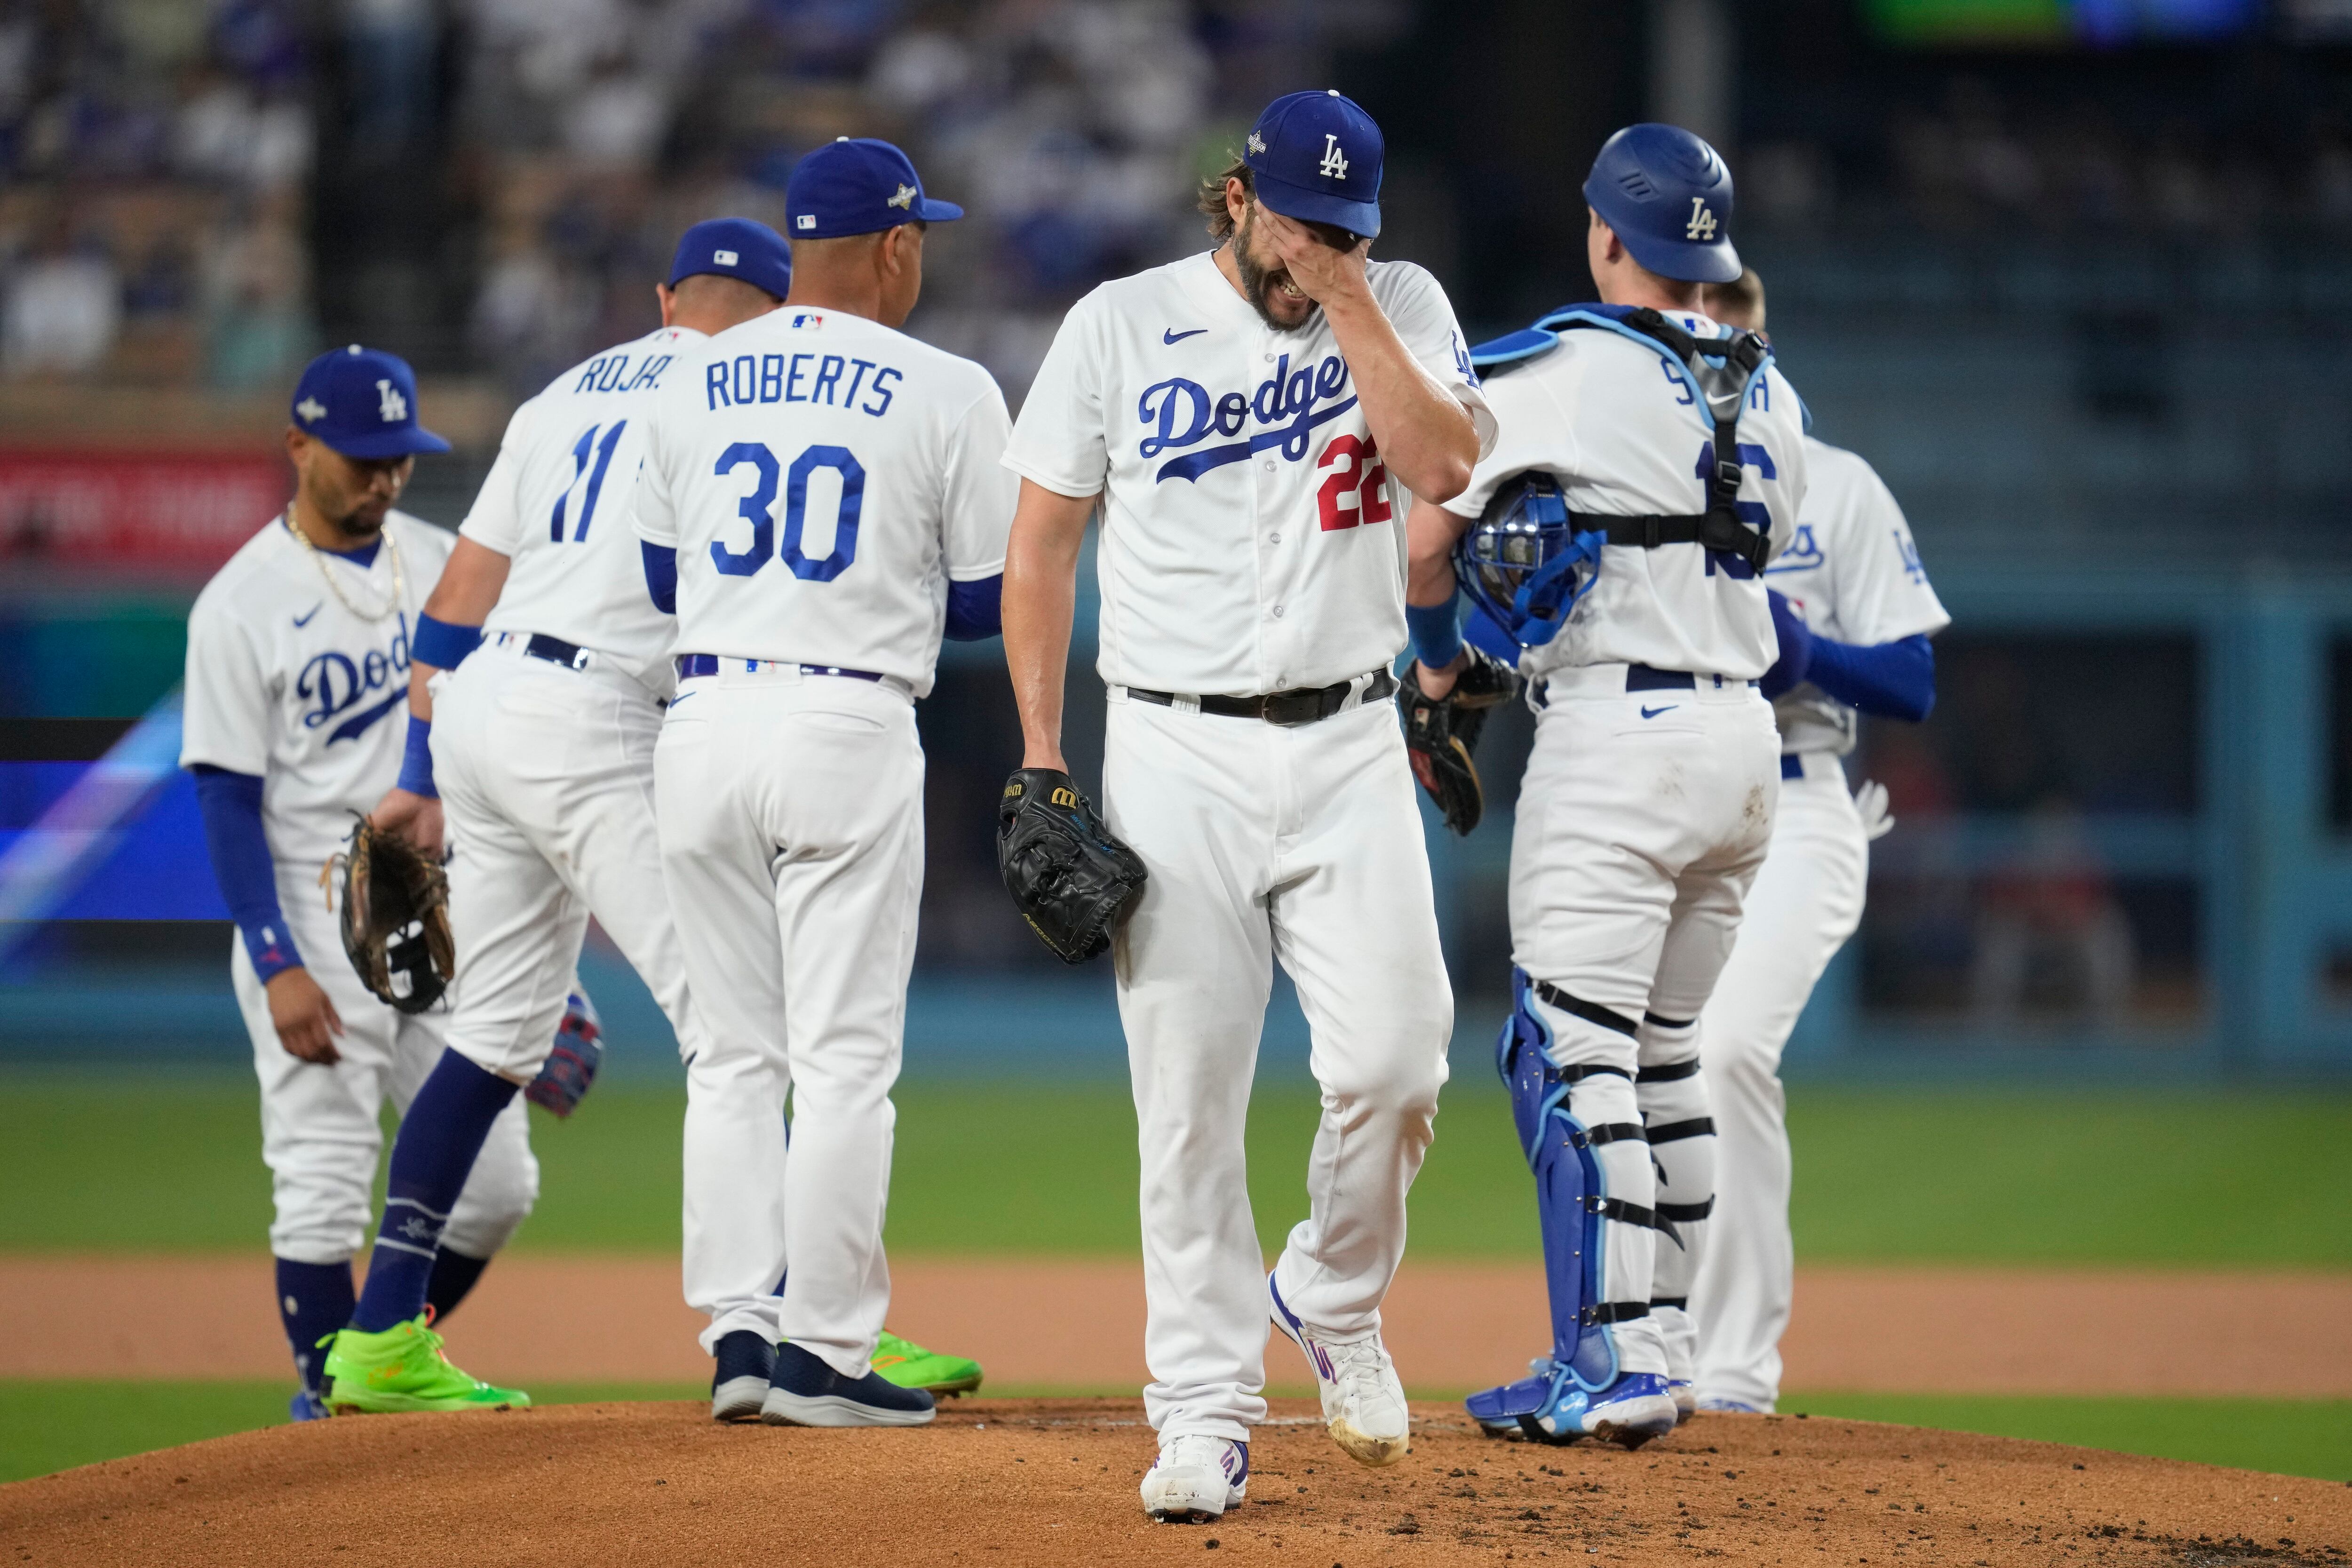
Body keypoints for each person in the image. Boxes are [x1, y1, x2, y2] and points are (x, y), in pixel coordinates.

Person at [1000, 89, 1490, 1521]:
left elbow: (1444, 467)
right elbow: (1040, 548)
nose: (1316, 253)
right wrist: (1043, 754)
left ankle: (1332, 1295)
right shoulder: (1116, 321)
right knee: (1190, 1100)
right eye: (1295, 224)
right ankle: (1204, 1409)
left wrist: (1347, 293)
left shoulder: (1396, 303)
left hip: (1348, 738)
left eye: (1345, 230)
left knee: (1402, 1063)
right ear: (1233, 196)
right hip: (1173, 749)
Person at [1406, 124, 1807, 1447]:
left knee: (1571, 1060)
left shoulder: (1561, 363)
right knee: (1665, 1055)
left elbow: (1430, 535)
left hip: (1618, 737)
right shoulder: (1774, 384)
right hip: (1745, 745)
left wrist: (1435, 666)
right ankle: (1670, 1342)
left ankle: (1606, 1361)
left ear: (1608, 234)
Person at [631, 138, 1010, 1429]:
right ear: (898, 247)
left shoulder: (692, 378)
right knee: (844, 1063)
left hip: (701, 719)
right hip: (844, 719)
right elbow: (977, 607)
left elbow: (663, 582)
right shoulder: (948, 386)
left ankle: (739, 1333)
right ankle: (828, 1352)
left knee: (732, 1057)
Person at [182, 346, 539, 1422]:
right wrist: (275, 961)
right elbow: (225, 799)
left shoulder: (442, 560)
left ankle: (375, 1353)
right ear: (299, 446)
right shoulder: (239, 602)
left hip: (439, 915)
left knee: (497, 1188)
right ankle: (325, 1405)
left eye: (399, 456)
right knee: (324, 1179)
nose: (385, 477)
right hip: (309, 911)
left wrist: (540, 970)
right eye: (364, 457)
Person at [1681, 268, 1949, 1415]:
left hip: (1798, 801)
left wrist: (1809, 657)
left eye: (1730, 342)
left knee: (1727, 1048)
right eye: (1691, 344)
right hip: (1661, 796)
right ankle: (1640, 1344)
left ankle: (1735, 1369)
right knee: (1628, 1069)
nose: (1713, 364)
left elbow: (1913, 678)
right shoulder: (1623, 488)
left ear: (1762, 346)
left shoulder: (1833, 486)